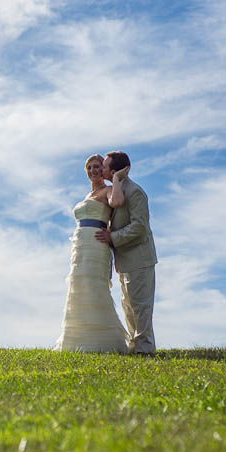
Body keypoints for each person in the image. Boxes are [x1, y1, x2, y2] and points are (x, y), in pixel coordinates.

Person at [55, 154, 129, 353]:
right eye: (89, 168)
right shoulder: (87, 196)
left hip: (97, 244)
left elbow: (118, 202)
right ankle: (75, 340)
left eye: (97, 167)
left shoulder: (108, 190)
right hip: (80, 246)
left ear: (103, 170)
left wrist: (115, 179)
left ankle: (103, 341)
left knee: (94, 286)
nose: (93, 171)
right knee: (79, 285)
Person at [95, 151, 157, 355]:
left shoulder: (135, 192)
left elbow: (139, 227)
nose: (101, 168)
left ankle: (145, 349)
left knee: (140, 305)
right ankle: (135, 346)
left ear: (114, 170)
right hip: (124, 260)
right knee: (129, 306)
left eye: (104, 166)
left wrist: (112, 237)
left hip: (139, 258)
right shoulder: (117, 190)